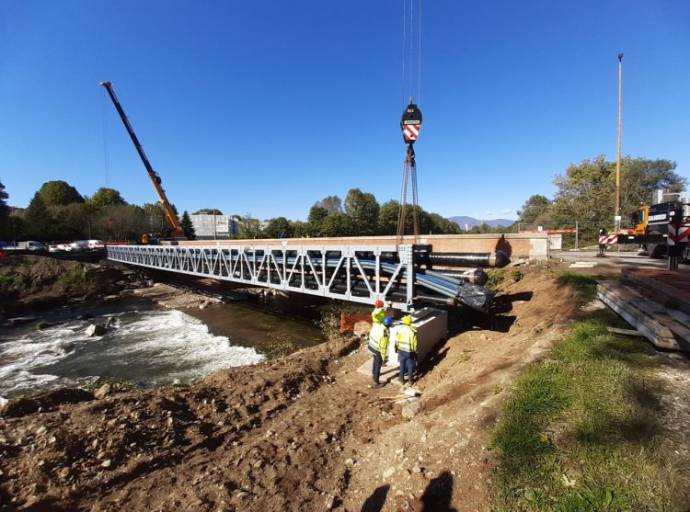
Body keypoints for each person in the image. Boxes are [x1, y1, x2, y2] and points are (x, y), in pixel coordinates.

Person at [368, 316, 392, 388]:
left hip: (372, 346)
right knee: (378, 365)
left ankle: (373, 374)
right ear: (389, 325)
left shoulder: (378, 326)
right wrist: (384, 358)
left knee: (375, 361)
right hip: (378, 349)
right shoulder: (385, 333)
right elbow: (383, 347)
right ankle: (376, 382)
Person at [395, 315, 418, 386]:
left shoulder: (400, 330)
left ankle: (401, 380)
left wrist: (396, 348)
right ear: (410, 322)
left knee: (402, 365)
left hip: (401, 351)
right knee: (410, 366)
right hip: (409, 352)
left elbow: (396, 340)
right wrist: (415, 352)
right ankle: (410, 381)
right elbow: (415, 344)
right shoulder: (412, 332)